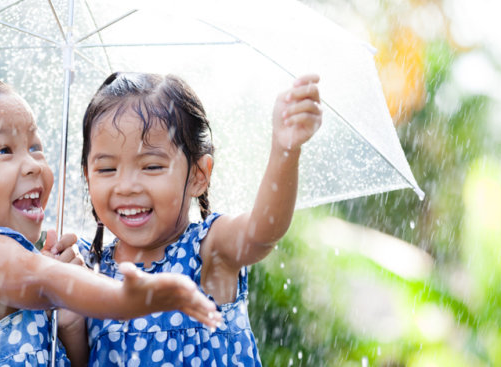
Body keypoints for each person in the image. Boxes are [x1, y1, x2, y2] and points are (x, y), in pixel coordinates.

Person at [0, 61, 221, 367]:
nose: (32, 165)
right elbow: (48, 282)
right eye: (4, 150)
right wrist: (126, 294)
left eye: (35, 147)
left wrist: (69, 319)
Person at [78, 72, 322, 366]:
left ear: (198, 175)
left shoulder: (208, 251)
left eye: (152, 166)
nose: (127, 186)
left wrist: (285, 149)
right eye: (106, 169)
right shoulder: (86, 270)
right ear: (86, 174)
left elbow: (262, 232)